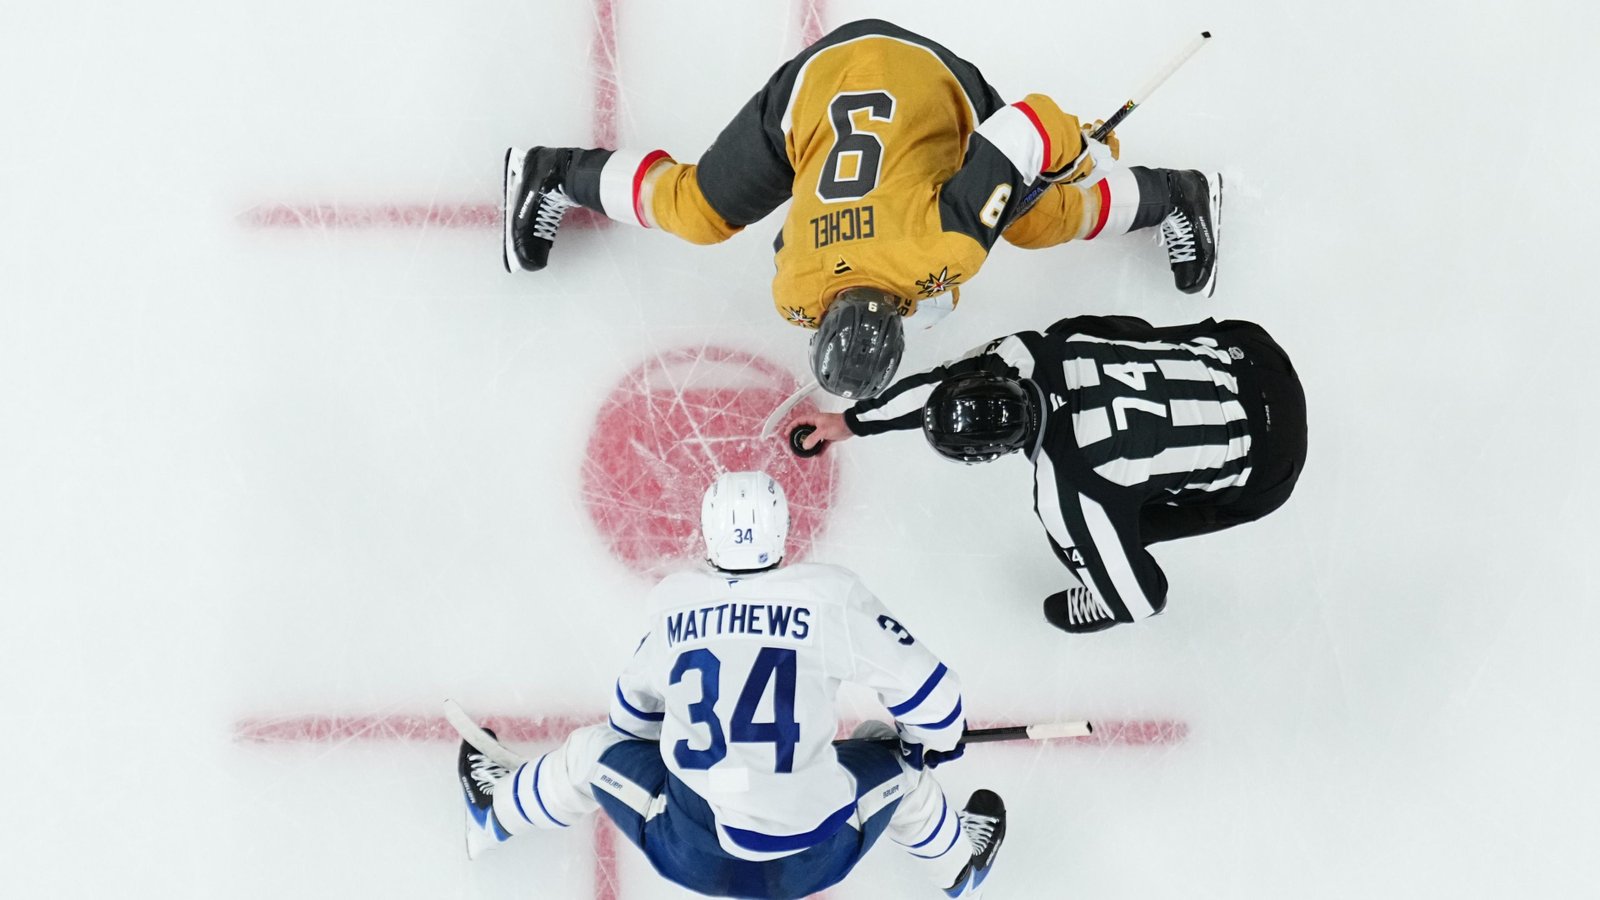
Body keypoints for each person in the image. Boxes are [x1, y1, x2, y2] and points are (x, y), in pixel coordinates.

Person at [501, 18, 1221, 399]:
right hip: (865, 79)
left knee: (1036, 217)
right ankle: (554, 174)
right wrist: (1067, 157)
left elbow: (1025, 129)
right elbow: (828, 235)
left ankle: (1173, 193)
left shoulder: (946, 248)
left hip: (874, 82)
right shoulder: (793, 294)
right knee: (698, 211)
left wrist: (1069, 153)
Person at [457, 471, 1007, 898]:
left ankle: (494, 816)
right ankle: (960, 868)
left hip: (689, 853)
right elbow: (937, 702)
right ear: (784, 527)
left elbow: (628, 718)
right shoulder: (828, 595)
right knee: (896, 763)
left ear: (709, 530)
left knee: (587, 753)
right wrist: (921, 744)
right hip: (810, 861)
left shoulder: (675, 602)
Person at [793, 315, 1307, 633]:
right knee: (1085, 334)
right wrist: (849, 422)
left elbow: (1146, 602)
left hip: (1269, 469)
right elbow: (942, 387)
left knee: (1096, 535)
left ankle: (1100, 580)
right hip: (1257, 356)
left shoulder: (1070, 497)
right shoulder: (1025, 352)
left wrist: (1112, 585)